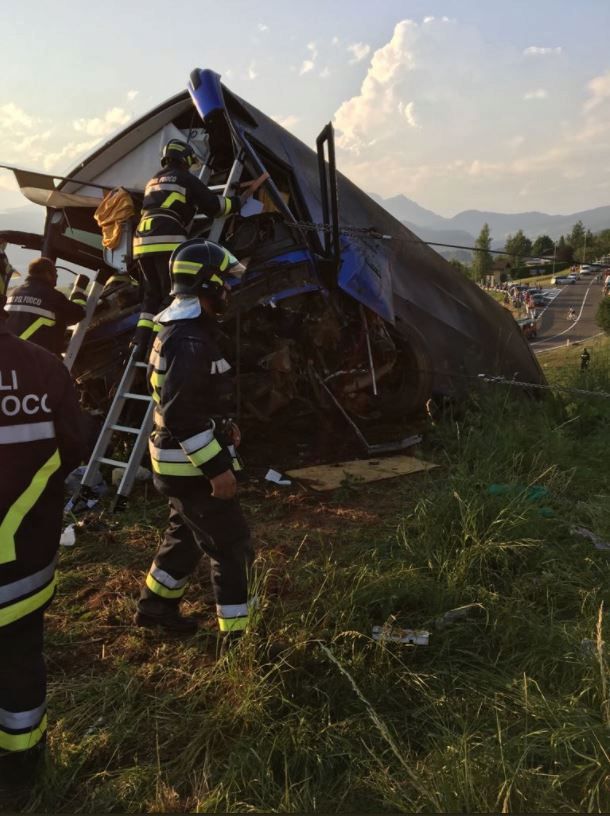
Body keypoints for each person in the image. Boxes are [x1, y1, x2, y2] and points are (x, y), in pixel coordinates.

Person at [135, 238, 254, 651]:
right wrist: (217, 471)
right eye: (224, 284)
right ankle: (238, 643)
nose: (229, 292)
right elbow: (182, 416)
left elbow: (191, 403)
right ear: (209, 286)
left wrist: (224, 426)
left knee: (185, 535)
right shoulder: (189, 341)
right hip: (191, 469)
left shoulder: (181, 330)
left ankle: (155, 607)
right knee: (232, 547)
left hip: (173, 463)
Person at [0, 254, 83, 789]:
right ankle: (23, 771)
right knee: (19, 660)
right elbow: (73, 448)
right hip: (23, 562)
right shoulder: (47, 369)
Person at [132, 138, 263, 358]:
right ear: (185, 157)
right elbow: (215, 207)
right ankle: (155, 349)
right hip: (167, 237)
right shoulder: (185, 178)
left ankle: (138, 345)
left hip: (141, 241)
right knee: (169, 296)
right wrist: (238, 202)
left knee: (151, 295)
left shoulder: (152, 181)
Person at [5, 257, 87, 356]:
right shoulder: (52, 296)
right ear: (47, 274)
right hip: (37, 359)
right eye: (55, 273)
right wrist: (78, 296)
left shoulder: (12, 294)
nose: (57, 276)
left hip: (8, 355)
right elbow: (78, 314)